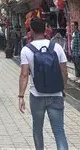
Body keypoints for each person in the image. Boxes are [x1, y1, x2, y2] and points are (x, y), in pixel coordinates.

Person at [19, 18, 69, 150]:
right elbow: (64, 71)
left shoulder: (26, 50)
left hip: (36, 95)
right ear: (45, 29)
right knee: (59, 132)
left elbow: (24, 75)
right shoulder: (57, 47)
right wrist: (63, 89)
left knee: (37, 129)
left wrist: (21, 96)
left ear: (31, 31)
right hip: (56, 94)